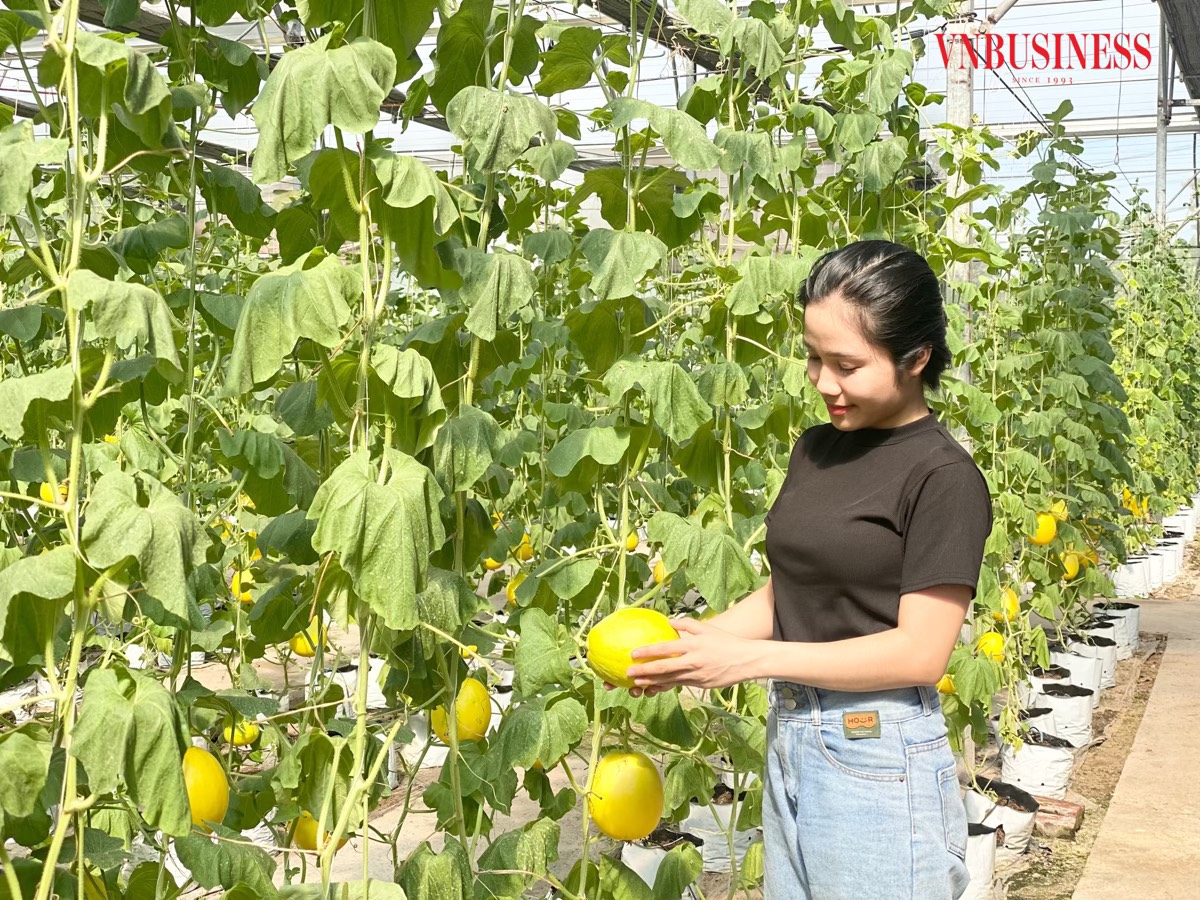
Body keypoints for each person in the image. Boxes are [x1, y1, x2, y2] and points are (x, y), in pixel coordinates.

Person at [625, 240, 994, 899]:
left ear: (916, 358)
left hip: (880, 752)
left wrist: (751, 661)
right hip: (794, 735)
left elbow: (921, 653)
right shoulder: (817, 448)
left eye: (847, 365)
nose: (825, 382)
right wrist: (697, 644)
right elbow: (794, 586)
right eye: (814, 357)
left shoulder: (943, 478)